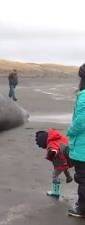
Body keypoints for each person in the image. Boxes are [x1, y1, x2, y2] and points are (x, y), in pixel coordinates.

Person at [67, 63, 85, 217]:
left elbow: (81, 121)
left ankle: (82, 208)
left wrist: (70, 132)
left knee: (82, 177)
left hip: (82, 148)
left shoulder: (84, 96)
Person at [35, 129, 73, 198]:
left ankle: (55, 192)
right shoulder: (58, 137)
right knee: (64, 167)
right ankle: (68, 177)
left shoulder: (51, 144)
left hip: (60, 161)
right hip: (68, 157)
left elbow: (54, 151)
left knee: (55, 175)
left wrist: (50, 156)